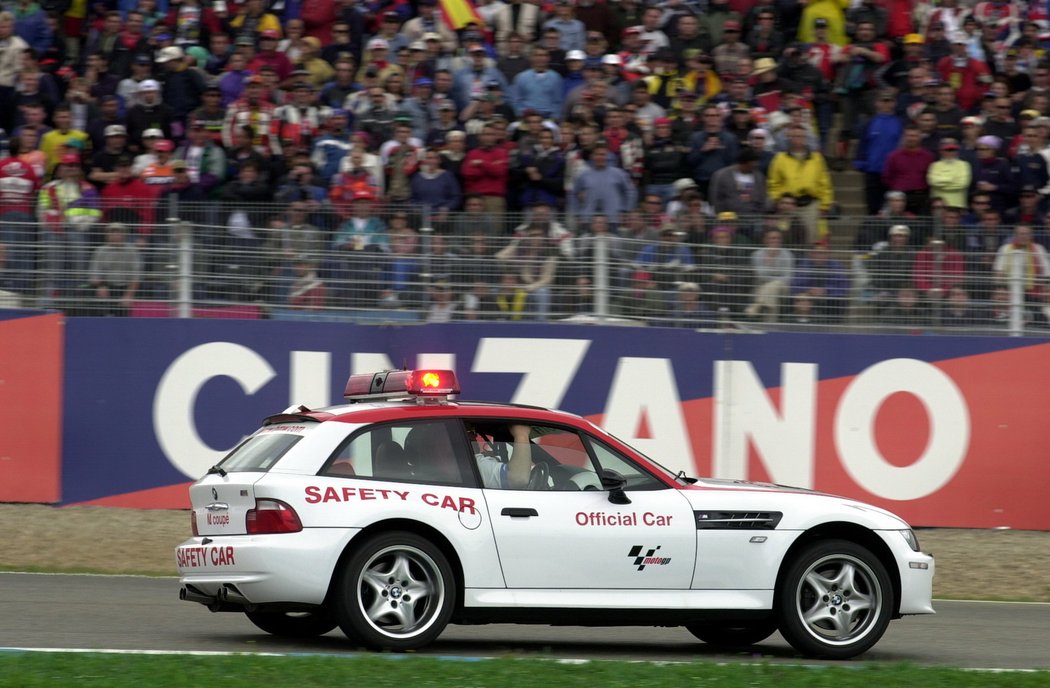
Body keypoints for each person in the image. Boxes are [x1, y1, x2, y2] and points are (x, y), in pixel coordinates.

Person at [86, 222, 141, 317]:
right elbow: (94, 273)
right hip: (106, 286)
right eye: (112, 233)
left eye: (118, 233)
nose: (115, 236)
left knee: (123, 313)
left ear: (124, 235)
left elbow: (136, 277)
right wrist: (100, 286)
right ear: (107, 235)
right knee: (92, 297)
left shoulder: (132, 252)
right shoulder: (100, 251)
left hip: (125, 288)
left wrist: (128, 295)